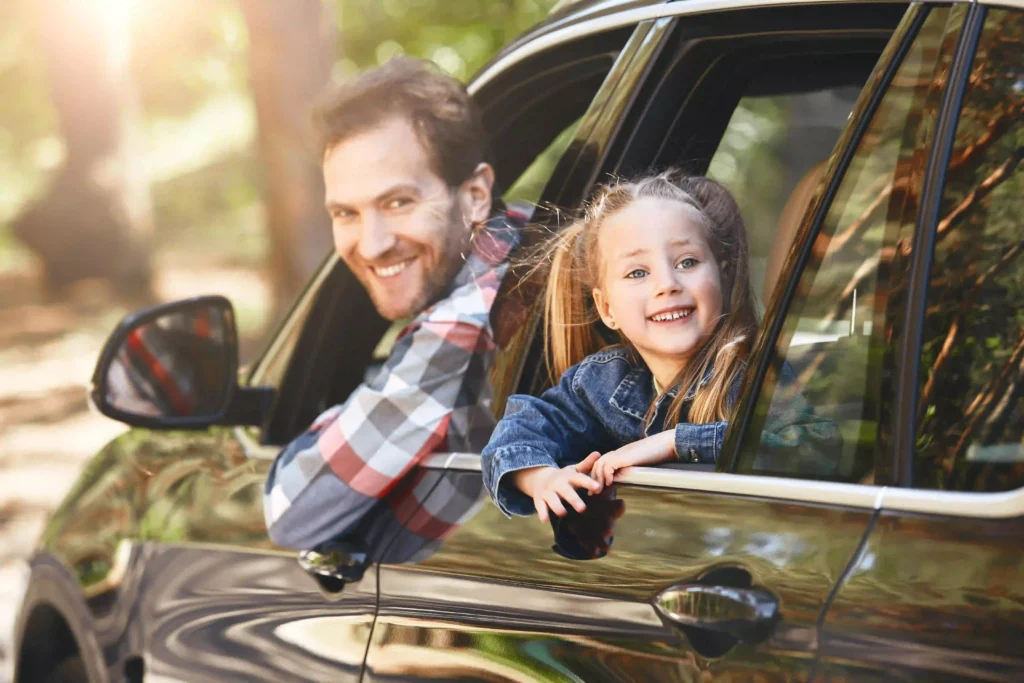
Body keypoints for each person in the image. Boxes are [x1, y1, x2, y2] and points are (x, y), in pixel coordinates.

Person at [263, 57, 523, 550]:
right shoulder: (525, 233)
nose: (372, 244)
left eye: (398, 203)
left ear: (474, 196)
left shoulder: (464, 319)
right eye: (346, 213)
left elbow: (291, 512)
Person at [482, 171, 838, 521]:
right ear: (607, 309)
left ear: (723, 277)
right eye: (638, 272)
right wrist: (543, 478)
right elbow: (519, 431)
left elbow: (812, 448)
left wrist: (674, 443)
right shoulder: (602, 383)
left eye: (687, 262)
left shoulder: (750, 372)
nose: (667, 284)